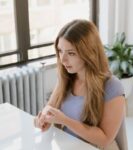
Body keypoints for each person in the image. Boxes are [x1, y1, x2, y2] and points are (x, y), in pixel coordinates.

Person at [34, 19, 125, 150]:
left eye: (71, 53)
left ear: (89, 53)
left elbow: (105, 139)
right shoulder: (66, 79)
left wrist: (65, 121)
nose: (63, 59)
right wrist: (42, 120)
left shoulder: (112, 86)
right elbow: (49, 109)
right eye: (60, 51)